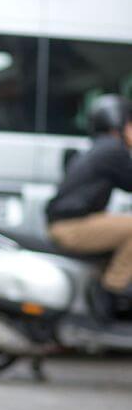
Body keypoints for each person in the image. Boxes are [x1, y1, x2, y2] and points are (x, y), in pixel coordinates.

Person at [46, 94, 132, 319]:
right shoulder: (113, 149)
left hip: (68, 223)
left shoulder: (100, 147)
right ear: (119, 124)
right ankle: (112, 291)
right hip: (71, 226)